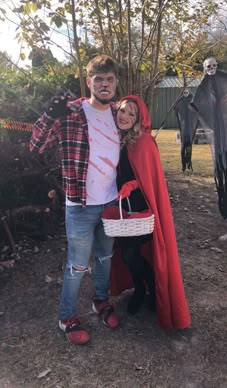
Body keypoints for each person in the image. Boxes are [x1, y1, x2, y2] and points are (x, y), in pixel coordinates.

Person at [29, 55, 121, 345]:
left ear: (116, 83)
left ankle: (100, 302)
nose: (104, 85)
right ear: (88, 82)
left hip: (111, 203)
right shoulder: (70, 113)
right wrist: (48, 116)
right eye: (99, 79)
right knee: (78, 264)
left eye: (109, 80)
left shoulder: (119, 114)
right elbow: (36, 147)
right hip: (80, 206)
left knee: (105, 258)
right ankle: (66, 317)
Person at [108, 95, 191, 329]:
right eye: (122, 111)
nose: (124, 116)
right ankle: (141, 287)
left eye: (131, 114)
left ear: (138, 119)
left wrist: (132, 185)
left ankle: (150, 287)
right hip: (122, 209)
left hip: (141, 210)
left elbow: (149, 179)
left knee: (132, 253)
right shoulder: (117, 138)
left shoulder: (143, 141)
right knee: (126, 253)